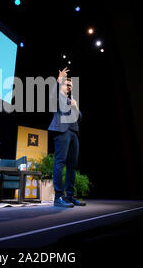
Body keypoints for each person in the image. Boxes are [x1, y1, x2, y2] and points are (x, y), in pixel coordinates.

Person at [48, 67, 85, 207]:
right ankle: (59, 197)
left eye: (71, 85)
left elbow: (80, 117)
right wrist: (58, 80)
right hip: (62, 131)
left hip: (74, 132)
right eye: (67, 84)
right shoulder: (57, 97)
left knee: (72, 166)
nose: (69, 87)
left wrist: (75, 107)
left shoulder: (72, 100)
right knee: (60, 162)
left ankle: (70, 196)